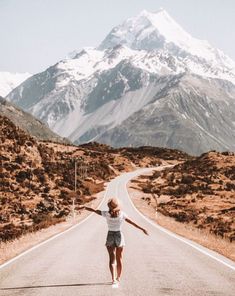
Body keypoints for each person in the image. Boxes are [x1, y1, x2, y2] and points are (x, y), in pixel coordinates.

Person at [77, 198, 149, 286]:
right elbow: (132, 223)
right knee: (119, 258)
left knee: (111, 259)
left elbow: (94, 210)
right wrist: (142, 229)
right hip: (119, 235)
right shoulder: (122, 214)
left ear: (109, 207)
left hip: (110, 235)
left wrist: (84, 207)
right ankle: (118, 277)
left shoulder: (106, 214)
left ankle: (113, 279)